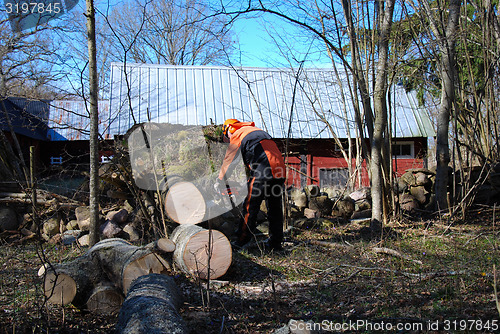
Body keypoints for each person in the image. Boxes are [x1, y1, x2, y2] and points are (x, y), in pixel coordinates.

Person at [214, 119, 286, 251]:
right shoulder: (256, 131)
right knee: (274, 208)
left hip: (264, 171)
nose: (228, 139)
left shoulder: (238, 133)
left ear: (229, 129)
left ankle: (240, 241)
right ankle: (276, 243)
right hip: (279, 171)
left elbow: (229, 161)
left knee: (249, 206)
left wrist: (219, 180)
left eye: (227, 136)